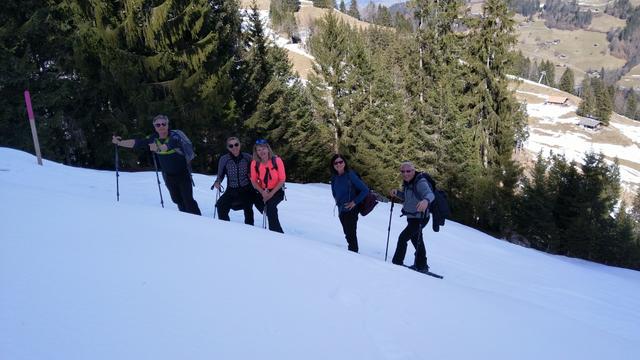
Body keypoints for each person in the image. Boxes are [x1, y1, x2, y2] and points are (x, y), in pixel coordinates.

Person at [112, 115, 201, 215]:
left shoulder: (174, 137)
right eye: (158, 125)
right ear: (155, 127)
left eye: (164, 124)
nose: (161, 126)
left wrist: (157, 148)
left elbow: (167, 146)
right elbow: (137, 143)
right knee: (177, 200)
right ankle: (187, 220)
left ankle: (199, 221)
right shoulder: (153, 138)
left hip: (183, 174)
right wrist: (119, 143)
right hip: (168, 175)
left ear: (167, 125)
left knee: (188, 200)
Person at [389, 161, 434, 271]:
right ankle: (422, 265)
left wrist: (426, 201)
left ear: (414, 171)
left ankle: (397, 262)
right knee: (417, 240)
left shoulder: (420, 182)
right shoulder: (407, 183)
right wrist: (397, 193)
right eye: (403, 171)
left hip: (420, 217)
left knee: (403, 238)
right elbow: (407, 197)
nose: (405, 173)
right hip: (412, 217)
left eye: (408, 171)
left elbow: (430, 194)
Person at [330, 154, 369, 253]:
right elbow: (334, 192)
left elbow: (365, 190)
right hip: (341, 210)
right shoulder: (334, 177)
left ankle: (353, 254)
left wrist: (354, 202)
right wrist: (338, 202)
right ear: (333, 165)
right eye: (336, 163)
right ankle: (352, 253)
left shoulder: (350, 174)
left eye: (340, 162)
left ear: (344, 162)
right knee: (347, 234)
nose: (338, 164)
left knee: (351, 234)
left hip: (351, 210)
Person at [212, 137, 255, 225]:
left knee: (248, 209)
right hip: (231, 189)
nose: (234, 147)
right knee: (221, 206)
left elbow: (258, 169)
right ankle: (226, 228)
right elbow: (220, 175)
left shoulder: (248, 157)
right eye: (231, 146)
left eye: (236, 144)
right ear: (228, 148)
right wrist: (217, 182)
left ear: (240, 145)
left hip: (246, 189)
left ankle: (250, 230)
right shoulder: (224, 159)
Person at [250, 139, 286, 233]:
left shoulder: (277, 161)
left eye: (263, 148)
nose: (261, 151)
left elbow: (282, 179)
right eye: (259, 150)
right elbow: (253, 180)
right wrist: (262, 192)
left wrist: (271, 194)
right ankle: (271, 219)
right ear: (256, 152)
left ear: (268, 149)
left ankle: (277, 233)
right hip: (263, 190)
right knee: (258, 202)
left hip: (277, 190)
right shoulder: (255, 163)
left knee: (270, 207)